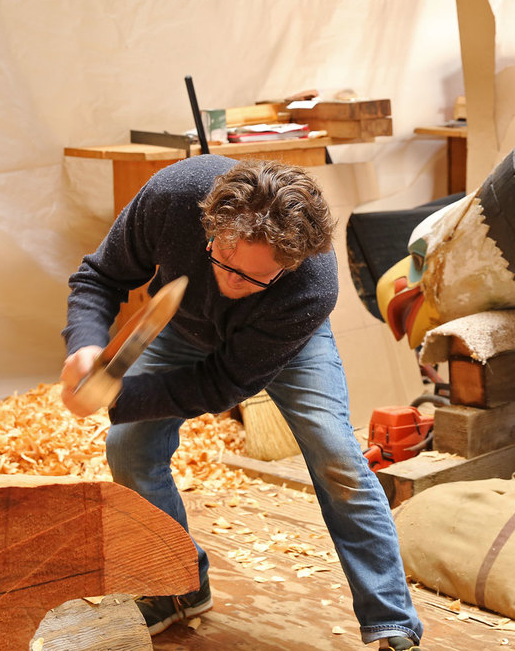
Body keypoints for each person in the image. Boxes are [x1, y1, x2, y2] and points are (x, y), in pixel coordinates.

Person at [60, 155, 424, 651]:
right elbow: (99, 276)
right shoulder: (172, 196)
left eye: (253, 277)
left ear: (290, 265)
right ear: (211, 221)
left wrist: (119, 393)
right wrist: (84, 346)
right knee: (129, 452)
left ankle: (392, 621)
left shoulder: (311, 286)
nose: (232, 282)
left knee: (336, 455)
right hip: (184, 323)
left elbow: (221, 384)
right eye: (224, 260)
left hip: (281, 342)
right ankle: (178, 588)